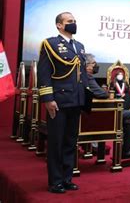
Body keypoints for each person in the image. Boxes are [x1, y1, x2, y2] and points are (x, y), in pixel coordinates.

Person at [37, 12, 88, 193]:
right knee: (56, 142)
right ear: (59, 25)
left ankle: (67, 178)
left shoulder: (80, 47)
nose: (73, 24)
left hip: (76, 101)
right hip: (58, 101)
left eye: (74, 21)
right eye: (69, 21)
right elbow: (44, 73)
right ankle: (55, 181)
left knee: (70, 142)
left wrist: (94, 96)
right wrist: (48, 99)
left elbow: (84, 76)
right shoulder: (50, 44)